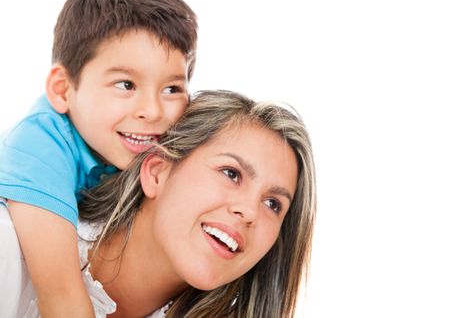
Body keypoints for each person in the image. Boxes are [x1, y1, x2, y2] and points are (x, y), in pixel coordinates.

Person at [0, 90, 316, 318]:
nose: (249, 211)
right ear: (157, 172)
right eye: (231, 173)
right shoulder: (12, 252)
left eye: (273, 204)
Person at [0, 0, 197, 317]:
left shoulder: (140, 152)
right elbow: (60, 296)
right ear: (63, 90)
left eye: (171, 89)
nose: (152, 111)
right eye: (125, 84)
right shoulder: (38, 147)